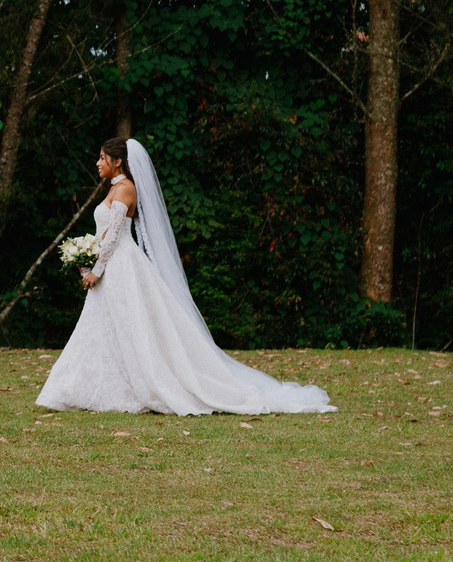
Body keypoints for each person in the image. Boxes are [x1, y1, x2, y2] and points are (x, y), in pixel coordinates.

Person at [36, 136, 333, 416]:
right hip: (109, 266)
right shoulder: (113, 188)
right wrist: (85, 261)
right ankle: (85, 388)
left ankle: (144, 386)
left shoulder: (126, 188)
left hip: (122, 265)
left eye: (103, 158)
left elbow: (114, 237)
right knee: (104, 327)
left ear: (118, 161)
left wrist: (96, 270)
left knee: (134, 327)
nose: (98, 163)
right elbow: (102, 235)